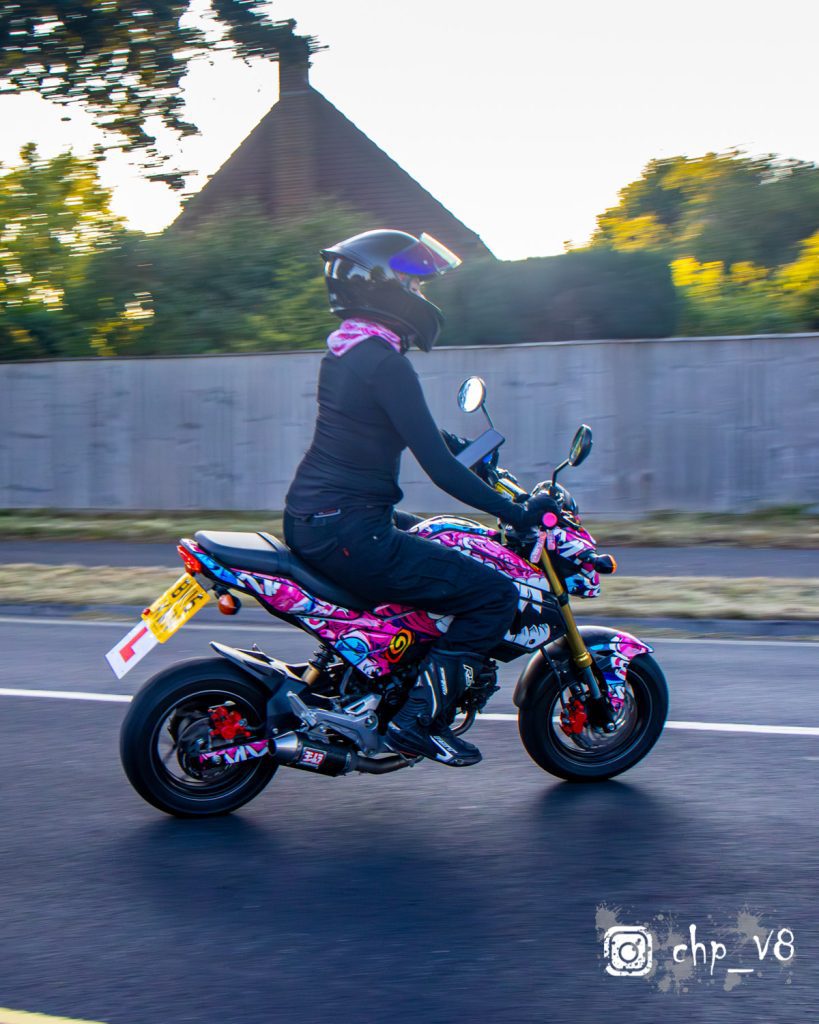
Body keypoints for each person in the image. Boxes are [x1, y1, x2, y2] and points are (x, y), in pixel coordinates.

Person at [284, 229, 557, 767]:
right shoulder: (385, 362)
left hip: (320, 518)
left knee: (444, 537)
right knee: (492, 595)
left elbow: (408, 430)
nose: (419, 291)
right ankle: (413, 723)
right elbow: (437, 468)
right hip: (351, 530)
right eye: (411, 280)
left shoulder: (350, 351)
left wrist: (465, 449)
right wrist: (515, 511)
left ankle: (376, 676)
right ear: (383, 286)